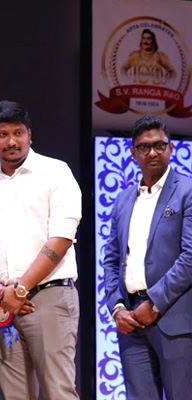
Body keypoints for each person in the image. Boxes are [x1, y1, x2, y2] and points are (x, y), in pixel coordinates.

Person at [0, 100, 81, 400]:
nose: (12, 141)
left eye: (18, 133)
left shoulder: (55, 172)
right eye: (3, 134)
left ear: (30, 135)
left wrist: (21, 289)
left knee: (58, 392)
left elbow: (62, 237)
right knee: (13, 396)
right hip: (1, 304)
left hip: (49, 298)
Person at [103, 115, 192, 400]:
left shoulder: (187, 192)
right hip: (130, 321)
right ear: (133, 152)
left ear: (171, 148)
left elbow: (190, 258)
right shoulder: (123, 199)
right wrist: (117, 308)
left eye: (159, 145)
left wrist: (153, 303)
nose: (152, 152)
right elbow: (111, 259)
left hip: (174, 319)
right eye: (144, 147)